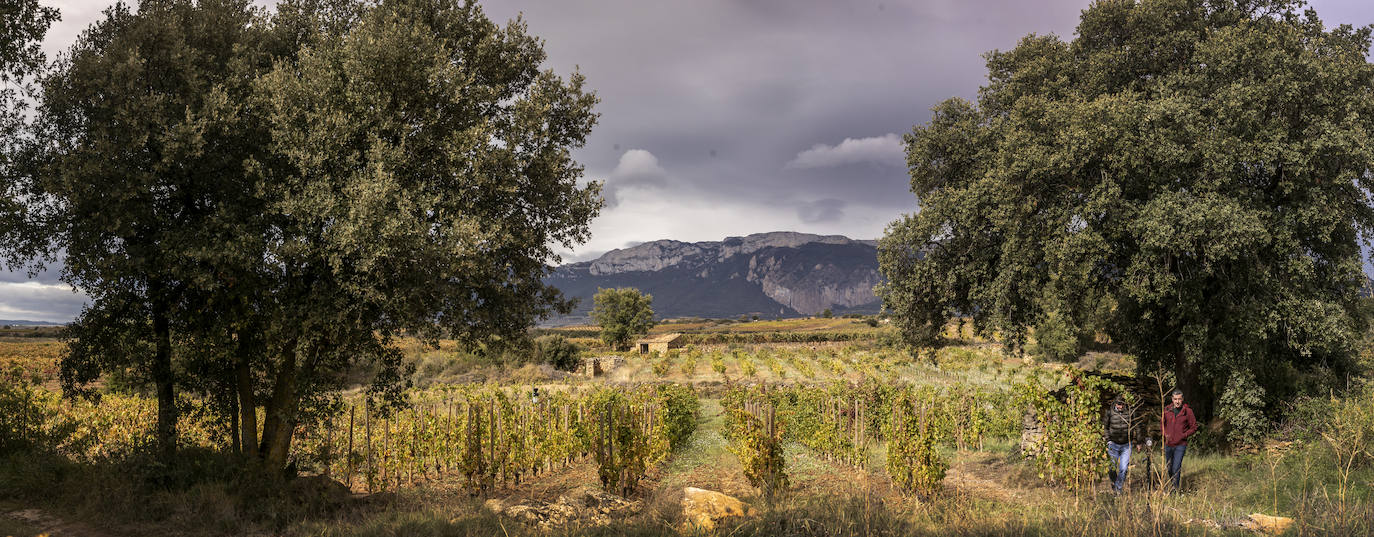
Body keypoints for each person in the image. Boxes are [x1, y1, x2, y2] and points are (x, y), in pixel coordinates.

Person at [1160, 389, 1197, 490]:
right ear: (1172, 399)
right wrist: (1165, 435)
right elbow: (1161, 424)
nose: (1177, 401)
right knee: (1169, 467)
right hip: (1168, 444)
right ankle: (1172, 484)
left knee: (1176, 467)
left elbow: (1194, 427)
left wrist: (1184, 435)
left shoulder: (1188, 411)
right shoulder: (1167, 410)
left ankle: (1174, 490)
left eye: (1179, 399)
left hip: (1180, 445)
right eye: (1175, 399)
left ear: (1182, 399)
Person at [1104, 396, 1133, 493]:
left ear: (1125, 404)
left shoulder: (1130, 413)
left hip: (1126, 445)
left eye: (1122, 404)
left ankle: (1118, 488)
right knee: (1112, 468)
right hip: (1113, 444)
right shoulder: (1110, 413)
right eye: (1118, 404)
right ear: (1115, 404)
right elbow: (1105, 427)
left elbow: (1136, 426)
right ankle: (1115, 483)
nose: (1120, 406)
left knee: (1123, 469)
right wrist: (1108, 440)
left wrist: (1138, 441)